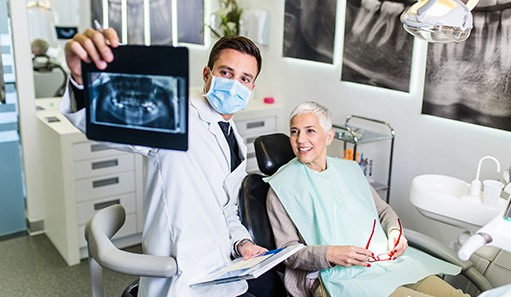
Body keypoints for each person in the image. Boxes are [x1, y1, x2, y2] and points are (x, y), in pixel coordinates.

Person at [60, 27, 270, 297]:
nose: (234, 85)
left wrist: (242, 242)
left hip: (221, 269)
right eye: (226, 73)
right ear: (207, 75)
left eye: (244, 78)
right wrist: (82, 79)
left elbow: (226, 208)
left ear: (251, 88)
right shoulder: (176, 113)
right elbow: (118, 121)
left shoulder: (233, 137)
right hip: (180, 274)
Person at [265, 101, 470, 297]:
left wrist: (395, 232)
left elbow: (383, 211)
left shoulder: (349, 170)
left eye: (310, 131)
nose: (300, 139)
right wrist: (330, 254)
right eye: (294, 131)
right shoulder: (282, 188)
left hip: (381, 264)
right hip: (334, 277)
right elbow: (288, 253)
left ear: (329, 137)